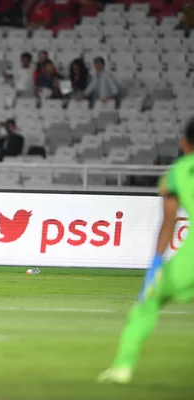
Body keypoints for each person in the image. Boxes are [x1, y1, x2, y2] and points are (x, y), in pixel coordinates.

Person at [98, 117, 194, 384]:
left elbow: (169, 221)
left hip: (190, 261)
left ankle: (122, 367)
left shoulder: (178, 170)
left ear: (184, 144)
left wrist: (155, 264)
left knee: (146, 306)